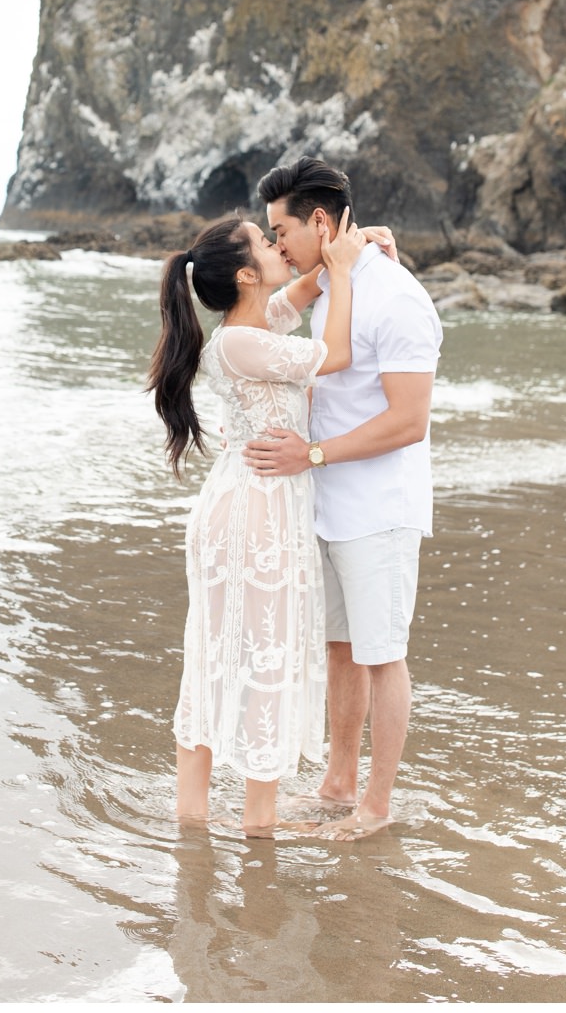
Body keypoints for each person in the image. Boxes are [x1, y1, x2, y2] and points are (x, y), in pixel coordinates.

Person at [243, 158, 442, 840]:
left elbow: (407, 420)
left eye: (281, 232)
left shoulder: (399, 298)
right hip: (326, 504)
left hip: (378, 508)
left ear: (320, 222)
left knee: (382, 653)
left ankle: (376, 805)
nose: (274, 247)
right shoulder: (334, 282)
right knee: (339, 648)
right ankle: (337, 782)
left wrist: (313, 454)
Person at [150, 209, 364, 835]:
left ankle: (198, 820)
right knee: (251, 656)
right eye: (264, 243)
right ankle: (254, 827)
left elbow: (303, 286)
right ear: (247, 275)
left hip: (257, 504)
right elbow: (341, 353)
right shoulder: (243, 343)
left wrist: (339, 248)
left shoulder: (253, 326)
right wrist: (346, 272)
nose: (277, 245)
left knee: (231, 652)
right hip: (253, 513)